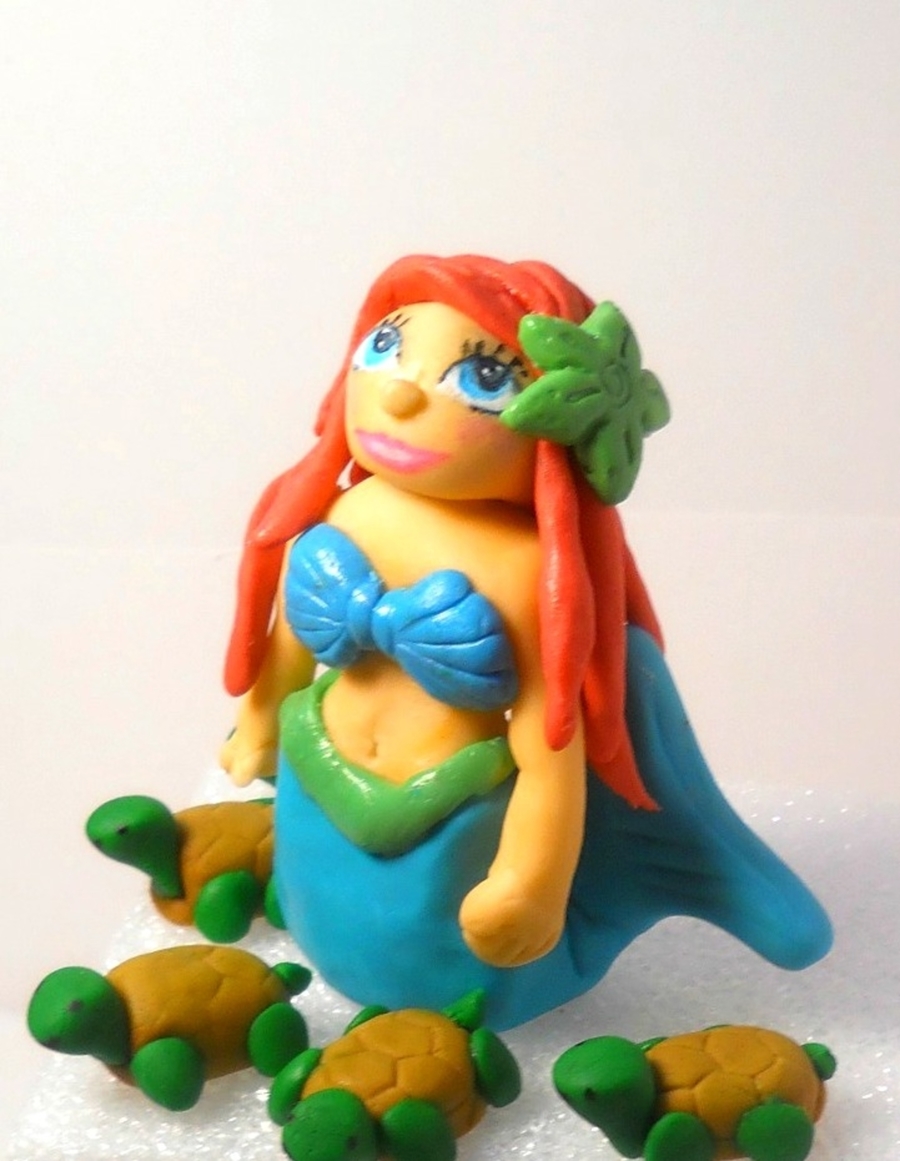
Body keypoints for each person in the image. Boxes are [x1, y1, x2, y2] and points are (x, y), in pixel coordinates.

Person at [220, 254, 831, 1029]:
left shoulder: (526, 570)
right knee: (326, 916)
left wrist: (531, 880)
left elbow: (552, 743)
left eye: (481, 377)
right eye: (385, 348)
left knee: (445, 975)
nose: (401, 393)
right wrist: (262, 719)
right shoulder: (344, 515)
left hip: (451, 806)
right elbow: (287, 646)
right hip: (319, 773)